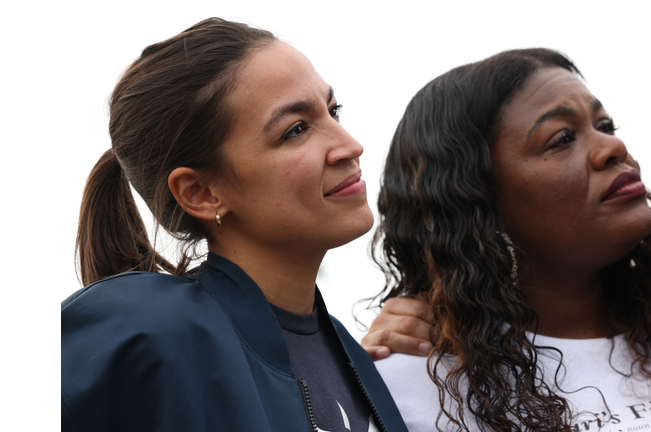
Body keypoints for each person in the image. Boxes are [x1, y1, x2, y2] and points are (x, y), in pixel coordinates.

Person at [61, 18, 406, 432]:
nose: (351, 145)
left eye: (334, 111)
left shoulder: (357, 359)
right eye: (296, 130)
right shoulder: (145, 338)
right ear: (201, 193)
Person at [361, 49, 651, 431]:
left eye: (605, 127)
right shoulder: (410, 387)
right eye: (562, 138)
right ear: (477, 203)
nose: (614, 148)